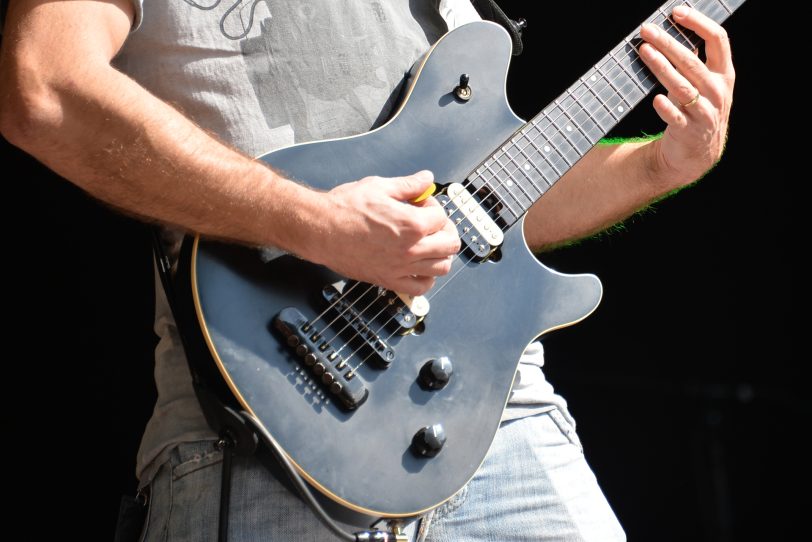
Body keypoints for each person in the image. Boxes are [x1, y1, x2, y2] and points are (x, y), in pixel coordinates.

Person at [0, 0, 735, 540]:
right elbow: (44, 87)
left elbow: (478, 217)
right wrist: (315, 224)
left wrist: (656, 166)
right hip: (267, 432)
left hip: (497, 419)